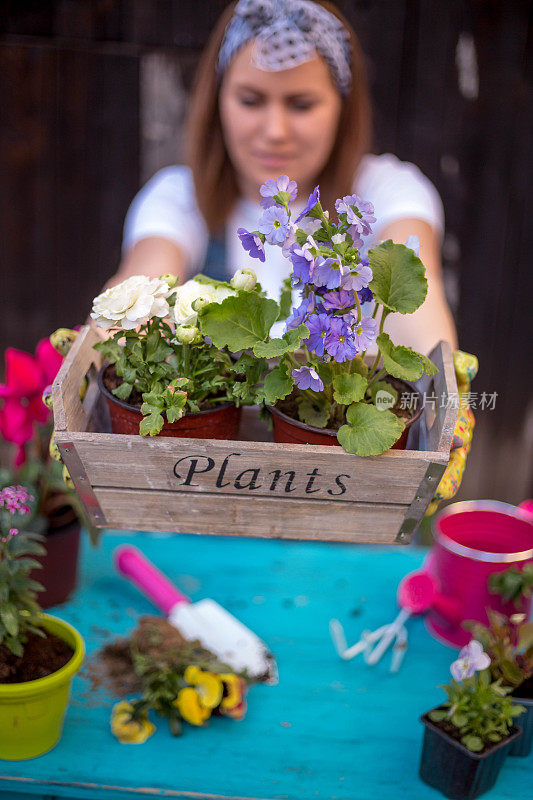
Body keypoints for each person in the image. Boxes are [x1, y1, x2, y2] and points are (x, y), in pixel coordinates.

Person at [110, 0, 457, 356]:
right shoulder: (179, 196)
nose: (275, 131)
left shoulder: (387, 191)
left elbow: (423, 337)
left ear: (342, 106)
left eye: (301, 104)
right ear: (218, 102)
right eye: (250, 100)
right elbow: (141, 289)